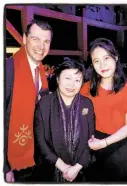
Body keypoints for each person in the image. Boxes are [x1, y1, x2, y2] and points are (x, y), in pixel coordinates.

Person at [81, 38, 127, 182]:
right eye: (96, 61)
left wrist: (104, 142)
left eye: (106, 58)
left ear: (116, 58)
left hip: (116, 144)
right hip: (91, 142)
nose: (102, 65)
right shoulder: (86, 87)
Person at [5, 19, 53, 182]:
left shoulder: (40, 70)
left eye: (46, 41)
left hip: (37, 155)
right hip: (14, 160)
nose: (41, 46)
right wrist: (4, 166)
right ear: (25, 39)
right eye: (35, 39)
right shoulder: (8, 70)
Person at [34, 59, 95, 182]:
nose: (72, 85)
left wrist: (77, 168)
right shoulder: (44, 104)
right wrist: (63, 167)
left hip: (80, 170)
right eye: (67, 78)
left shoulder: (87, 103)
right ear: (57, 79)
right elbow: (40, 141)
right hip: (50, 168)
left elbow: (91, 139)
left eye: (77, 80)